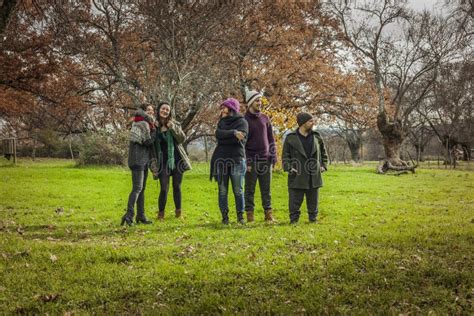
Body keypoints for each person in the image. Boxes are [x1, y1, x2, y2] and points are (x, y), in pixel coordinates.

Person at [281, 112, 328, 224]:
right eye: (310, 121)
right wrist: (289, 167)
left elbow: (323, 153)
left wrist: (323, 165)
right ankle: (294, 220)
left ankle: (313, 219)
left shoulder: (317, 136)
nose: (313, 123)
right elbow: (285, 156)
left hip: (313, 174)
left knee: (313, 200)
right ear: (302, 123)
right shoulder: (290, 138)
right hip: (297, 173)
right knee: (295, 200)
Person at [210, 98, 249, 225]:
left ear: (231, 108)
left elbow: (241, 140)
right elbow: (218, 135)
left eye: (224, 107)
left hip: (237, 159)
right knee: (222, 190)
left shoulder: (242, 122)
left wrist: (226, 136)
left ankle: (240, 217)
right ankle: (225, 217)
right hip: (221, 159)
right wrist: (233, 133)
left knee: (238, 189)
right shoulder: (221, 122)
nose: (222, 109)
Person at [243, 87, 277, 222]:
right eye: (257, 100)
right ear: (250, 103)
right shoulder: (244, 120)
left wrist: (273, 156)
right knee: (249, 190)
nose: (260, 103)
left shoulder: (265, 118)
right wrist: (247, 161)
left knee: (266, 190)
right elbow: (242, 144)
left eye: (260, 100)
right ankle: (250, 216)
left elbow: (271, 138)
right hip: (251, 161)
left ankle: (268, 215)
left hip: (266, 160)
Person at [154, 101, 192, 220]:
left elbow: (182, 139)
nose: (165, 111)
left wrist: (173, 127)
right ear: (159, 110)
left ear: (170, 112)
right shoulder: (154, 126)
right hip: (162, 162)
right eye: (163, 109)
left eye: (167, 110)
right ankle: (161, 214)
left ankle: (178, 213)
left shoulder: (175, 124)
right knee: (164, 188)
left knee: (177, 187)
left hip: (177, 160)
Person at [121, 104, 156, 226]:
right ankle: (129, 215)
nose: (151, 112)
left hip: (142, 160)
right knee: (137, 188)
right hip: (138, 160)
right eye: (148, 110)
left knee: (141, 189)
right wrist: (155, 132)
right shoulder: (142, 123)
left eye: (152, 110)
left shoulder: (143, 122)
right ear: (143, 112)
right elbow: (147, 142)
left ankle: (141, 216)